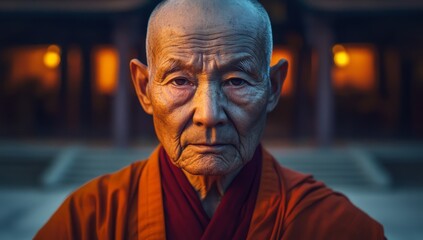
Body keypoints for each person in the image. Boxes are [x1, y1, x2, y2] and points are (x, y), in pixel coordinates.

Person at [35, 0, 385, 239]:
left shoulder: (333, 226)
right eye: (180, 81)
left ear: (273, 87)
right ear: (144, 89)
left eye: (236, 81)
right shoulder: (90, 220)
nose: (209, 114)